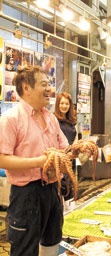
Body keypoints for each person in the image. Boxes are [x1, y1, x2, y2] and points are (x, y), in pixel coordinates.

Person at [0, 66, 69, 256]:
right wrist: (38, 162)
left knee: (52, 240)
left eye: (50, 84)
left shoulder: (51, 119)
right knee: (25, 248)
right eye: (44, 84)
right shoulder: (10, 119)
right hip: (26, 195)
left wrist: (74, 153)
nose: (49, 89)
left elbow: (64, 148)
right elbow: (2, 159)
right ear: (26, 88)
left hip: (52, 190)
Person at [54, 92, 78, 201]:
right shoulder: (53, 120)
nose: (64, 106)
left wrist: (75, 149)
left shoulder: (72, 121)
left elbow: (75, 138)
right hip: (58, 160)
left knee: (70, 184)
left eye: (67, 104)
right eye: (62, 103)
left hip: (70, 159)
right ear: (57, 104)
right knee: (60, 187)